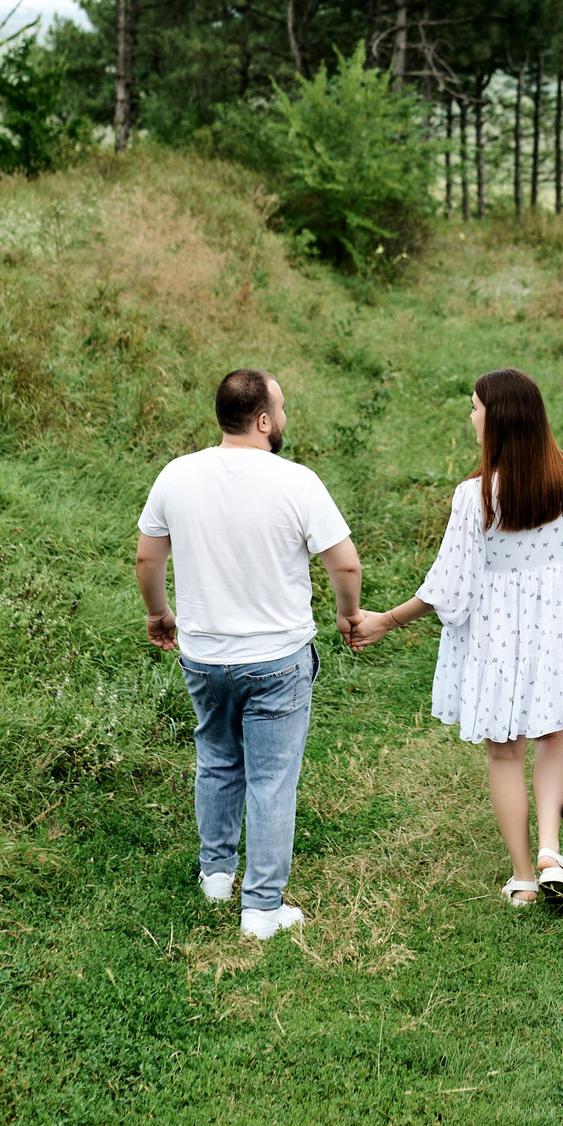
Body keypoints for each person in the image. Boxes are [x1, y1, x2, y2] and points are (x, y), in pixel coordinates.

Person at [349, 368, 563, 908]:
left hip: (496, 635)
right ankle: (551, 850)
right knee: (554, 735)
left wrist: (386, 620)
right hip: (555, 628)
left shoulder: (475, 496)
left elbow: (447, 585)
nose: (470, 416)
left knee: (505, 753)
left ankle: (524, 878)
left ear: (499, 419)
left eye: (474, 407)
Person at [137, 369, 361, 940]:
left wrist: (159, 613)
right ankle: (261, 908)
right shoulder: (297, 482)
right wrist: (347, 613)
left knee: (216, 760)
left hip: (204, 656)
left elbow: (148, 557)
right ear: (263, 420)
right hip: (277, 659)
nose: (284, 418)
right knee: (271, 780)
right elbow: (345, 563)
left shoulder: (176, 475)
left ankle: (216, 877)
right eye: (280, 409)